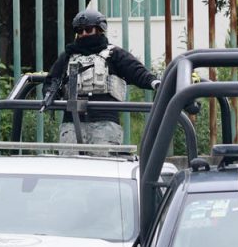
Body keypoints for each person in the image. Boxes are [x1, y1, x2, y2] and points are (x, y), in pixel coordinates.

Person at [45, 8, 158, 145]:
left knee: (104, 163)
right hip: (72, 123)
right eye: (80, 31)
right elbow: (51, 81)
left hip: (105, 123)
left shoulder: (114, 54)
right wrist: (50, 93)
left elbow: (137, 72)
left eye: (88, 29)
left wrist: (155, 82)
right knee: (70, 164)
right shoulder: (68, 56)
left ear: (99, 30)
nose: (84, 34)